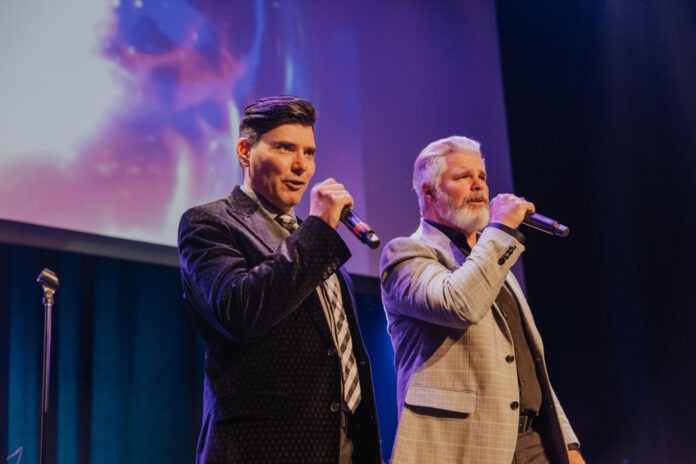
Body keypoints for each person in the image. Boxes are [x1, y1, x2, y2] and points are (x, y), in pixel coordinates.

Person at [178, 96, 381, 463]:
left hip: (341, 446)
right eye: (285, 148)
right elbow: (240, 310)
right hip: (264, 446)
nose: (302, 166)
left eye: (309, 152)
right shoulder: (210, 223)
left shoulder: (310, 238)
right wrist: (318, 228)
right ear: (245, 151)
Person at [379, 135, 585, 464]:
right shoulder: (406, 254)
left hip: (534, 443)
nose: (478, 185)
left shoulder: (491, 258)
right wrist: (501, 229)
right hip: (463, 445)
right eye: (463, 177)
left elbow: (529, 361)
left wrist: (568, 444)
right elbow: (459, 303)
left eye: (482, 177)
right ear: (428, 192)